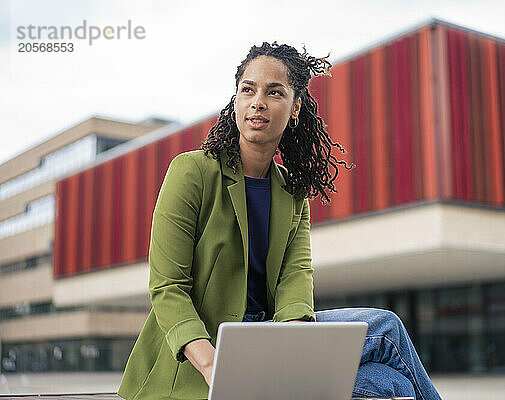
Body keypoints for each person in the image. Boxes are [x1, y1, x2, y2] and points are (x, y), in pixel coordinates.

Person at [117, 41, 442, 400]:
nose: (258, 102)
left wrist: (295, 358)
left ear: (295, 108)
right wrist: (216, 368)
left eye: (274, 92)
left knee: (387, 379)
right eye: (248, 90)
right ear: (236, 101)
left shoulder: (293, 191)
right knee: (386, 335)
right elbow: (168, 288)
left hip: (265, 343)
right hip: (198, 357)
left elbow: (296, 282)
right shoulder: (191, 171)